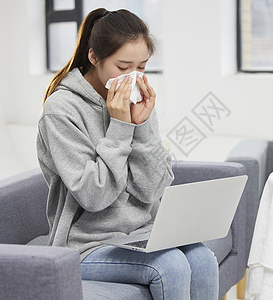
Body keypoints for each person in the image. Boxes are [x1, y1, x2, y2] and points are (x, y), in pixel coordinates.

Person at [36, 8, 219, 300]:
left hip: (141, 235)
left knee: (202, 258)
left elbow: (153, 189)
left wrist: (142, 124)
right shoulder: (61, 110)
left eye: (142, 67)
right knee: (170, 265)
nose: (134, 78)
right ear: (94, 57)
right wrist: (121, 127)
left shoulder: (139, 100)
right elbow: (94, 197)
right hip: (85, 247)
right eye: (123, 68)